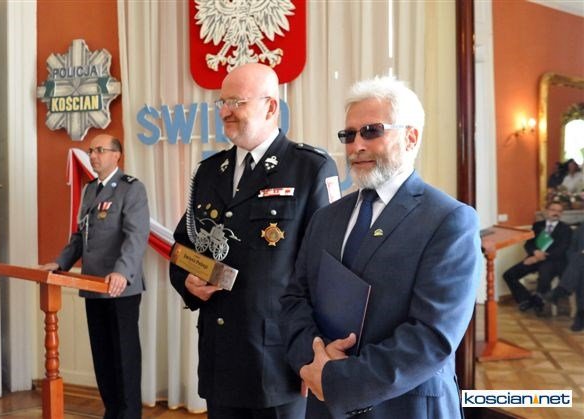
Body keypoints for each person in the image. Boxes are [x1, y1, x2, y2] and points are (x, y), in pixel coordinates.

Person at [280, 76, 481, 418]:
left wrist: (338, 379)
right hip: (324, 401)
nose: (356, 145)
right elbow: (294, 299)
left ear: (410, 137)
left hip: (407, 407)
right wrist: (313, 358)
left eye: (371, 131)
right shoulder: (325, 218)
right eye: (349, 135)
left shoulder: (449, 220)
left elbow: (432, 337)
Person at [169, 63, 340, 419]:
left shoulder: (309, 168)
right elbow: (183, 246)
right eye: (222, 103)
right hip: (220, 357)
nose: (225, 112)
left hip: (279, 361)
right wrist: (187, 281)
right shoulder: (209, 171)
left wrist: (313, 353)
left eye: (236, 102)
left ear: (271, 106)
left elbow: (327, 269)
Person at [40, 134, 150, 419]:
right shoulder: (90, 190)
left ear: (117, 155)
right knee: (102, 356)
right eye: (91, 151)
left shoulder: (131, 189)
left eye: (100, 150)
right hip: (92, 284)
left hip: (119, 287)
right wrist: (60, 263)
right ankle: (112, 412)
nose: (93, 156)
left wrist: (122, 271)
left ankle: (129, 415)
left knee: (124, 357)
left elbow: (136, 236)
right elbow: (79, 236)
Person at [503, 202, 571, 315]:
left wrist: (538, 258)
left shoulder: (566, 229)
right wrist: (534, 252)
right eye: (553, 210)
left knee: (544, 274)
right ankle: (526, 300)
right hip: (534, 258)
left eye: (559, 211)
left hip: (553, 261)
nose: (556, 213)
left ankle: (540, 302)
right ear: (546, 211)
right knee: (509, 274)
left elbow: (562, 249)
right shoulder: (537, 225)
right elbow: (528, 244)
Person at [548, 222, 584, 331]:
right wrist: (579, 255)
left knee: (579, 267)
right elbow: (570, 252)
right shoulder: (580, 230)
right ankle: (581, 316)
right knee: (580, 269)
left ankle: (561, 290)